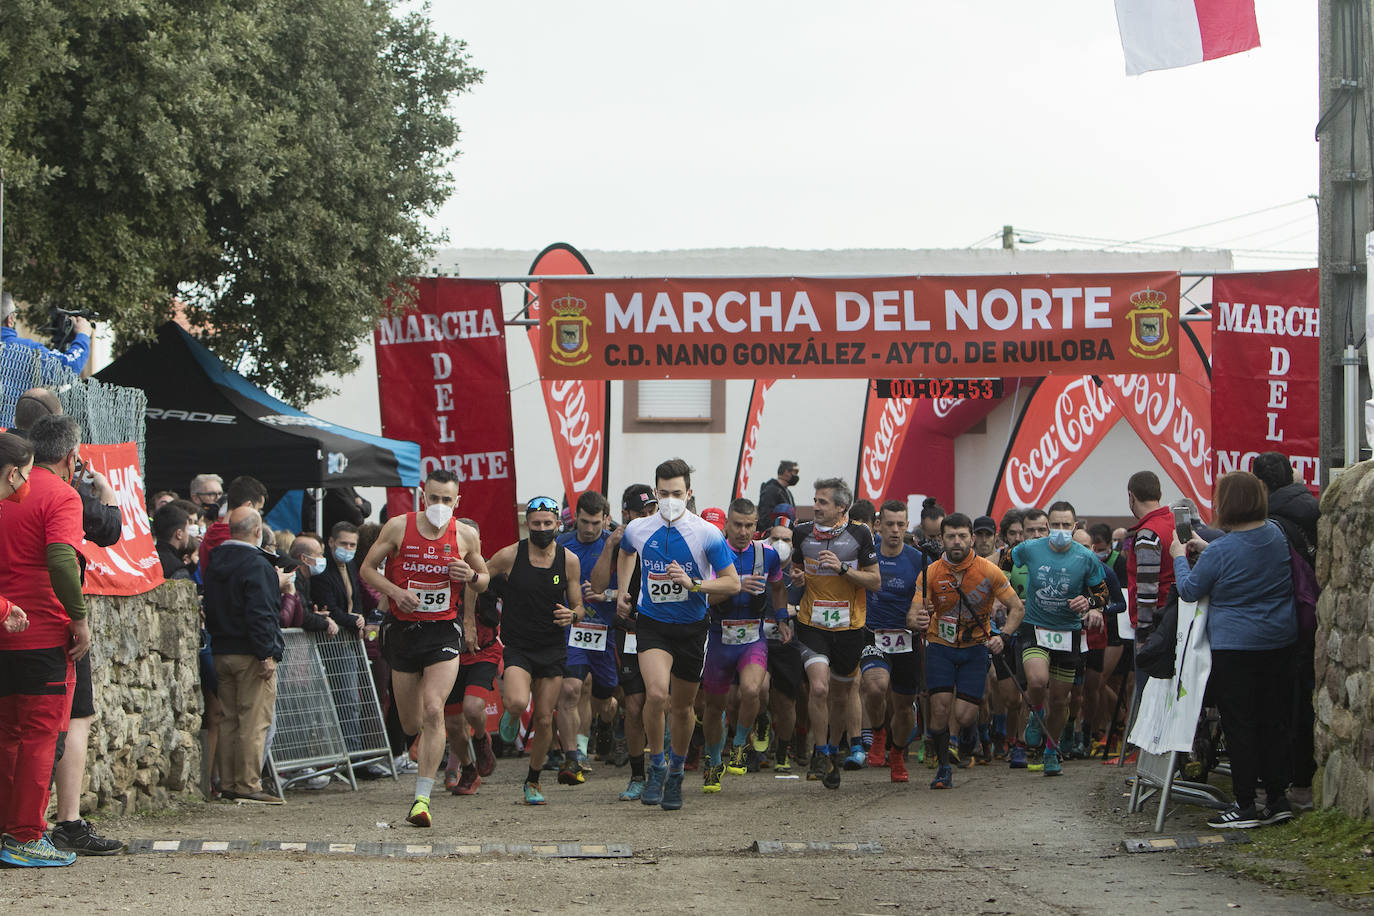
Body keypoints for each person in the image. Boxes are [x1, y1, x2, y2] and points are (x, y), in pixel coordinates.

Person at [360, 469, 489, 827]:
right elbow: (367, 569)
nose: (440, 505)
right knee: (411, 721)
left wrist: (472, 577)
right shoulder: (399, 527)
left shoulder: (465, 534)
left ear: (457, 502)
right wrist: (395, 592)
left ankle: (421, 800)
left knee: (435, 710)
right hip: (404, 632)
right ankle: (440, 768)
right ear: (423, 496)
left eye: (447, 500)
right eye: (434, 498)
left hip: (442, 633)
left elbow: (485, 577)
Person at [1170, 472, 1298, 829]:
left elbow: (1191, 589)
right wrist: (1205, 547)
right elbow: (1242, 557)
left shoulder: (1224, 550)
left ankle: (1244, 805)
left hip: (1236, 646)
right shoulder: (1275, 534)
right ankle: (1277, 798)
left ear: (1226, 504)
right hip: (1279, 640)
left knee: (1240, 724)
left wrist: (1181, 555)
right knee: (1273, 721)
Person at [615, 458, 740, 811]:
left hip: (691, 628)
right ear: (656, 492)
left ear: (689, 493)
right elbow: (625, 552)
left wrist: (694, 583)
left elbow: (732, 582)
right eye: (664, 493)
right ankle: (656, 764)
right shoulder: (639, 528)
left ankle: (677, 773)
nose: (670, 499)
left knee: (683, 707)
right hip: (652, 624)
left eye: (677, 493)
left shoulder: (706, 533)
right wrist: (624, 589)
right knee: (656, 696)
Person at [0, 425, 89, 867]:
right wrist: (80, 619)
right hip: (42, 633)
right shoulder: (60, 496)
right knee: (39, 739)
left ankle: (8, 833)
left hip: (5, 630)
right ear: (72, 458)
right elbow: (59, 558)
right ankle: (25, 837)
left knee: (6, 737)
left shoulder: (13, 495)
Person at [914, 513, 1022, 789]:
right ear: (941, 539)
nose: (957, 541)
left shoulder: (988, 570)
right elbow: (912, 615)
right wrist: (919, 619)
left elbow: (1017, 608)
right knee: (939, 708)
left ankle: (968, 734)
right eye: (951, 536)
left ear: (972, 538)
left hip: (975, 648)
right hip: (940, 645)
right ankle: (942, 767)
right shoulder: (931, 572)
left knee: (964, 715)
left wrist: (1004, 637)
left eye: (963, 535)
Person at [488, 497, 585, 805]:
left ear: (558, 524)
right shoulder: (510, 555)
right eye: (536, 524)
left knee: (544, 719)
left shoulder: (569, 560)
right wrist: (469, 621)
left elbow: (579, 606)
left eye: (547, 524)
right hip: (518, 645)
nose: (542, 529)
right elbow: (478, 579)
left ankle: (532, 780)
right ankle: (512, 715)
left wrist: (572, 616)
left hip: (551, 646)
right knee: (516, 700)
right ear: (527, 525)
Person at [790, 477, 881, 787]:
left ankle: (832, 747)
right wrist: (798, 577)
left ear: (842, 506)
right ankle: (821, 753)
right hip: (812, 623)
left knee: (841, 695)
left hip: (849, 626)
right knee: (818, 688)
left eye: (822, 502)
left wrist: (844, 569)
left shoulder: (860, 534)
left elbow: (874, 581)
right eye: (815, 500)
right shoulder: (801, 533)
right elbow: (797, 569)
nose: (815, 506)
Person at [1010, 500, 1108, 777]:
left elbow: (1102, 593)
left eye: (1067, 525)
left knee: (1061, 699)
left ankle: (1051, 750)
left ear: (1075, 527)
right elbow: (1003, 564)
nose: (1061, 530)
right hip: (1034, 626)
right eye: (1056, 525)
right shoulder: (1030, 549)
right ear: (1047, 526)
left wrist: (1088, 601)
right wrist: (1003, 596)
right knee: (1038, 681)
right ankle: (1035, 713)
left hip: (1068, 631)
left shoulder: (1085, 557)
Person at [700, 498, 788, 793]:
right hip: (718, 637)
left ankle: (739, 745)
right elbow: (704, 599)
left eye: (749, 525)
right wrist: (735, 584)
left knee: (752, 690)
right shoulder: (712, 552)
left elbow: (778, 587)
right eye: (737, 524)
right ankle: (713, 762)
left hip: (752, 636)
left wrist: (782, 617)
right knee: (713, 707)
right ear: (726, 525)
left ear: (757, 527)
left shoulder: (768, 554)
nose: (743, 531)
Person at [203, 507, 288, 805]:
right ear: (257, 532)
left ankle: (227, 781)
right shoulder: (257, 564)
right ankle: (248, 783)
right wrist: (267, 653)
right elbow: (261, 613)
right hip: (251, 653)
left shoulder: (215, 561)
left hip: (221, 650)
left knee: (227, 720)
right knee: (254, 721)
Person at [1250, 451, 1320, 810]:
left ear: (1261, 484)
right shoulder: (1310, 508)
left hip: (1284, 624)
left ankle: (1289, 783)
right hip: (1314, 619)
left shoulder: (1272, 524)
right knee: (1304, 702)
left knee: (1281, 708)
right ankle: (1304, 781)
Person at [588, 484, 658, 801]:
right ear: (626, 515)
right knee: (633, 705)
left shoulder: (667, 536)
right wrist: (610, 545)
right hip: (628, 630)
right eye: (642, 513)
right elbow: (599, 584)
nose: (649, 518)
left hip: (662, 629)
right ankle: (638, 775)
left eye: (652, 512)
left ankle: (663, 765)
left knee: (661, 701)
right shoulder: (617, 540)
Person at [858, 500, 926, 783]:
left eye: (901, 524)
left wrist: (923, 616)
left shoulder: (918, 559)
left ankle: (897, 752)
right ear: (878, 526)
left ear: (906, 525)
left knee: (903, 705)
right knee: (875, 688)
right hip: (873, 632)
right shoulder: (865, 553)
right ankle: (877, 733)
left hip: (907, 638)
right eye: (889, 524)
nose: (895, 530)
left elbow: (929, 597)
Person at [557, 491, 620, 783]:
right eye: (584, 521)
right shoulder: (561, 544)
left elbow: (633, 590)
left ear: (605, 519)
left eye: (596, 522)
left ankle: (606, 723)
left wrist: (607, 594)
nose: (589, 528)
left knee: (604, 695)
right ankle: (575, 755)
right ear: (576, 518)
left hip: (605, 632)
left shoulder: (617, 545)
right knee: (572, 688)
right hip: (572, 629)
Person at [441, 518, 500, 796]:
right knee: (452, 724)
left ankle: (481, 738)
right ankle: (468, 768)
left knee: (473, 708)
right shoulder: (439, 568)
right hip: (447, 652)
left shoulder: (489, 570)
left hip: (483, 651)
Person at [1, 292, 92, 374]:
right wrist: (83, 335)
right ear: (10, 319)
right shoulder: (25, 349)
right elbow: (68, 368)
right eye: (15, 314)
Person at [200, 476, 268, 575]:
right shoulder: (237, 541)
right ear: (248, 506)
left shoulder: (210, 533)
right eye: (258, 509)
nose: (259, 515)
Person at [154, 503, 196, 581]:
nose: (188, 534)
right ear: (179, 534)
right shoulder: (178, 570)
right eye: (187, 530)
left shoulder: (147, 560)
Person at [757, 460, 799, 532]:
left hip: (785, 533)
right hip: (773, 535)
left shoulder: (787, 492)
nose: (797, 475)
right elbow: (764, 517)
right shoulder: (771, 490)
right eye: (795, 472)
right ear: (787, 472)